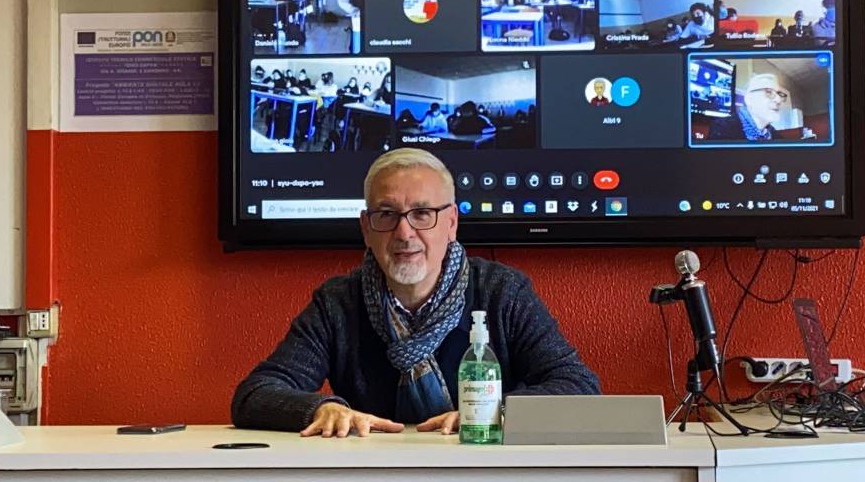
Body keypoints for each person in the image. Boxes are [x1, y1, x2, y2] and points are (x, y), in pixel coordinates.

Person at [232, 149, 600, 436]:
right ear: (366, 227)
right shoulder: (338, 303)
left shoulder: (502, 292)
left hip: (487, 468)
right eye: (387, 214)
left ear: (452, 222)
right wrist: (319, 408)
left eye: (422, 213)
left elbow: (578, 386)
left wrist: (491, 411)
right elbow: (255, 394)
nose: (404, 233)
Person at [708, 73, 788, 141]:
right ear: (749, 99)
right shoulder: (722, 129)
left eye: (780, 94)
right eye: (768, 92)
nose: (778, 100)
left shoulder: (777, 137)